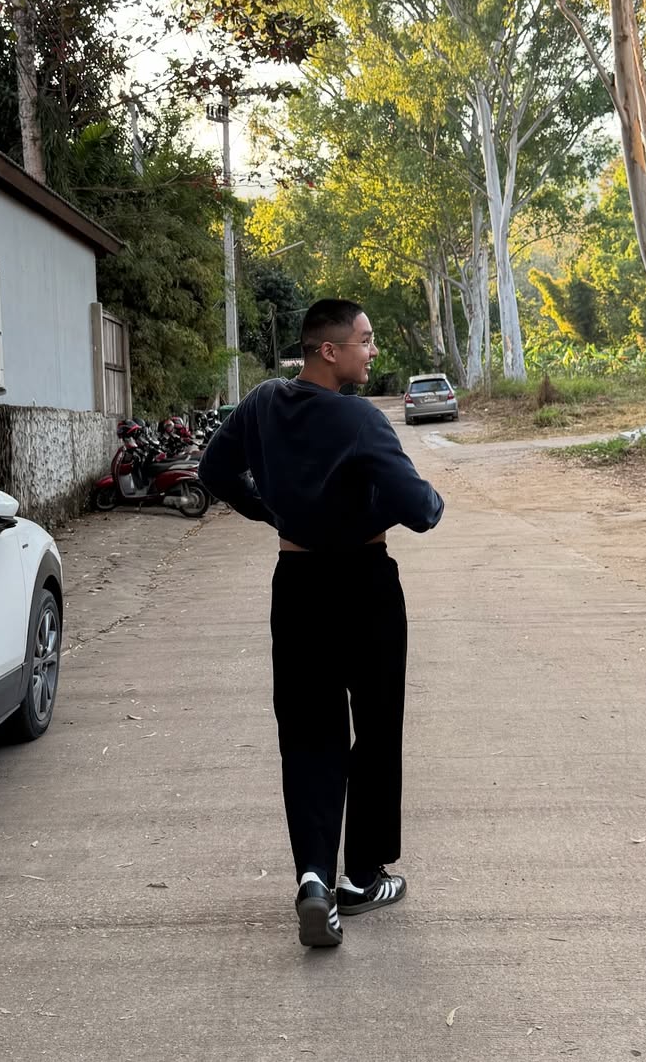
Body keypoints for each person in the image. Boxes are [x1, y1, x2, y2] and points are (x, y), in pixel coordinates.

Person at [198, 298, 444, 948]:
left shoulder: (262, 404)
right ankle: (361, 879)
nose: (373, 350)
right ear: (329, 350)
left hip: (298, 584)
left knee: (308, 734)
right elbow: (420, 509)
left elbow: (214, 470)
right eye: (366, 340)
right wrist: (403, 502)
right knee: (376, 728)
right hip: (365, 585)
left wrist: (271, 512)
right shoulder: (360, 418)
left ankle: (313, 879)